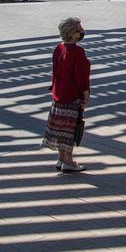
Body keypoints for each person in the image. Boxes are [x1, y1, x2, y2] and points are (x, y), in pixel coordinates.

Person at [42, 17, 90, 173]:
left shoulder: (59, 48)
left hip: (59, 94)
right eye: (79, 29)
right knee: (70, 130)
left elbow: (55, 71)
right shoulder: (77, 52)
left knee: (60, 128)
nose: (82, 31)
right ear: (73, 33)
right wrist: (85, 95)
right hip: (72, 96)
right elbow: (81, 77)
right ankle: (68, 161)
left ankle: (61, 158)